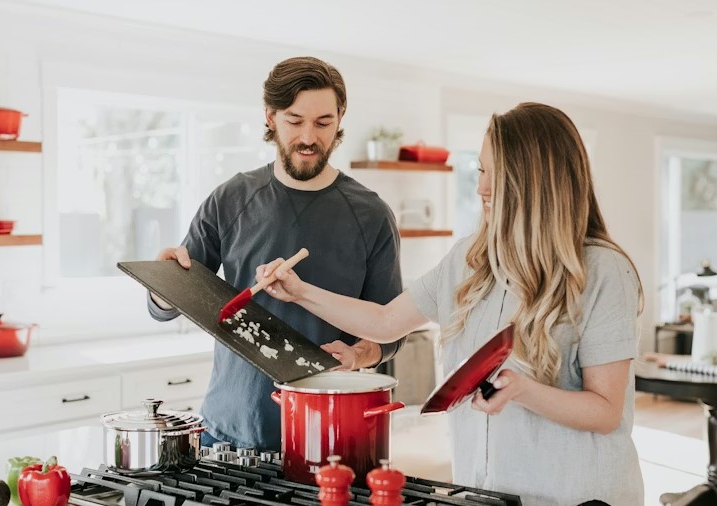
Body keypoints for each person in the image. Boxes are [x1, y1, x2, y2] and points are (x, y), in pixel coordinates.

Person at [259, 102, 644, 506]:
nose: (481, 189)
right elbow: (386, 321)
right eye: (480, 170)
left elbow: (606, 411)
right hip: (484, 493)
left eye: (496, 174)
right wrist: (300, 291)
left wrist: (523, 390)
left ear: (536, 182)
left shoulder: (602, 270)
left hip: (577, 497)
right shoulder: (469, 259)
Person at [146, 56, 405, 452]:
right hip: (225, 433)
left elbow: (391, 330)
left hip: (325, 435)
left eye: (323, 123)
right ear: (270, 117)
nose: (309, 137)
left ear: (340, 119)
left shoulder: (372, 215)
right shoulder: (230, 199)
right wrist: (162, 285)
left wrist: (358, 354)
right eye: (295, 121)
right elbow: (168, 304)